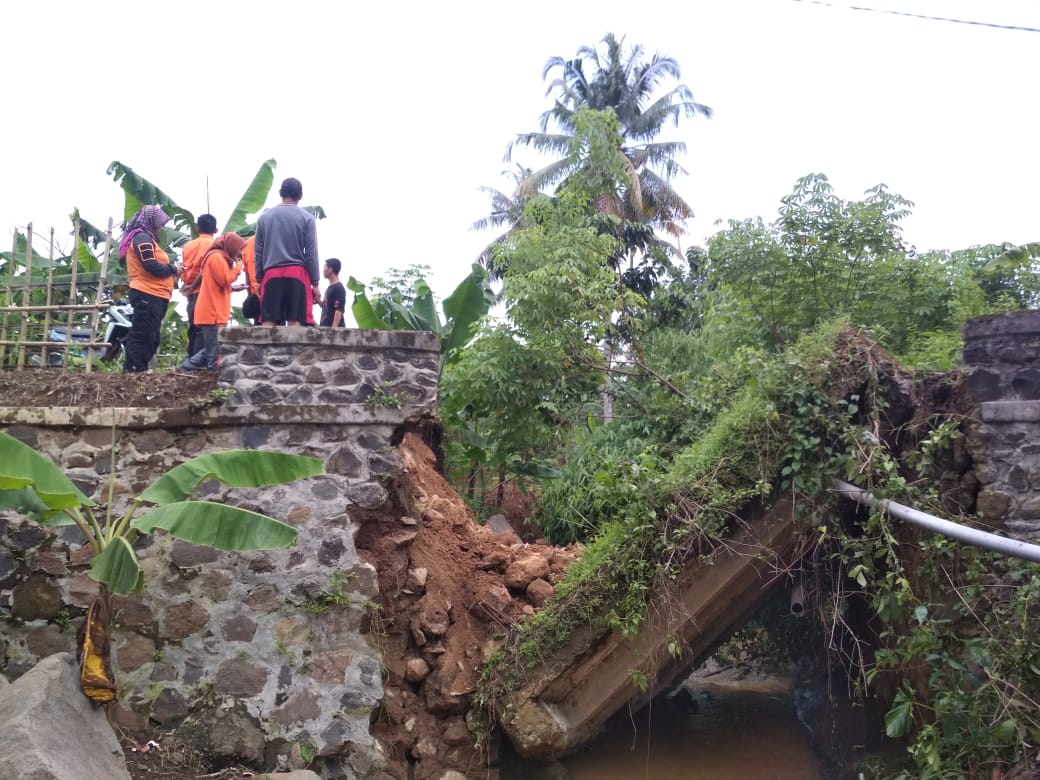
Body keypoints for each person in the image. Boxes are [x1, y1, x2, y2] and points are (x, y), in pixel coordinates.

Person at [119, 205, 180, 373]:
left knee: (151, 336)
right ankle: (133, 369)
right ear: (151, 222)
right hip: (146, 292)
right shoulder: (142, 238)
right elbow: (150, 265)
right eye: (159, 224)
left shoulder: (148, 239)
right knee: (142, 334)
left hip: (155, 294)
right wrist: (173, 269)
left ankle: (139, 368)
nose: (161, 228)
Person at [254, 177, 320, 326]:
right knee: (295, 322)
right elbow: (311, 253)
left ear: (280, 193)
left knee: (268, 322)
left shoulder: (264, 218)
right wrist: (315, 283)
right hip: (296, 274)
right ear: (300, 196)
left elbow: (258, 251)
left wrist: (259, 278)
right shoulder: (307, 218)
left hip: (271, 273)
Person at [177, 233, 246, 371]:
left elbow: (216, 284)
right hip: (212, 312)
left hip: (214, 311)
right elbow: (223, 279)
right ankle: (212, 379)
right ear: (231, 246)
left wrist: (233, 289)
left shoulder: (219, 258)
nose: (240, 253)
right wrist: (238, 268)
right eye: (238, 249)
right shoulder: (216, 257)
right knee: (214, 351)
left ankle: (184, 368)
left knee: (211, 347)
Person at [179, 214, 218, 356]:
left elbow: (184, 269)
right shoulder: (215, 245)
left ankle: (191, 361)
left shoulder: (188, 246)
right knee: (205, 328)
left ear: (197, 228)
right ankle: (198, 364)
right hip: (206, 292)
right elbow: (208, 270)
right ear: (216, 229)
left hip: (191, 292)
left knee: (193, 328)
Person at [319, 257, 347, 327]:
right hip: (325, 328)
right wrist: (318, 300)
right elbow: (325, 306)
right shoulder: (330, 288)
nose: (323, 271)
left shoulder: (339, 288)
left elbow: (339, 310)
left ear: (330, 270)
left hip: (333, 331)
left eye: (324, 268)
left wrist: (333, 330)